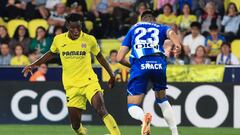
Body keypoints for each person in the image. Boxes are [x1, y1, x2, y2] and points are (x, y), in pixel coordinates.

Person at [22, 13, 121, 135]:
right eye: (73, 27)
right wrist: (34, 64)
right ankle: (81, 132)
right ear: (67, 26)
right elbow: (51, 53)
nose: (77, 30)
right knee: (75, 125)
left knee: (101, 109)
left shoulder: (89, 39)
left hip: (89, 81)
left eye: (79, 27)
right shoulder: (59, 40)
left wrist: (111, 74)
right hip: (71, 86)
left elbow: (100, 57)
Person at [117, 10, 181, 135]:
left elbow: (119, 58)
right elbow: (172, 33)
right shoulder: (161, 27)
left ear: (141, 20)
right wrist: (177, 44)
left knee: (133, 105)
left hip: (140, 64)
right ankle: (175, 133)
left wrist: (134, 66)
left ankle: (143, 118)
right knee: (162, 98)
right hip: (158, 63)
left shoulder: (134, 29)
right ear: (154, 20)